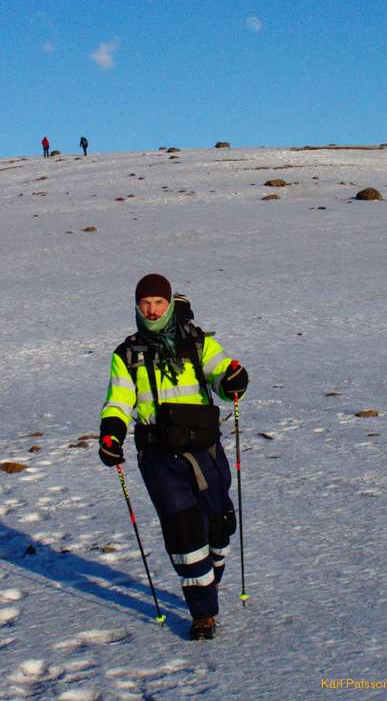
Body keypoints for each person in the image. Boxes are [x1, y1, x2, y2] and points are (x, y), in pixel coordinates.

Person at [98, 274, 249, 640]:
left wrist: (233, 380)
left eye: (158, 303)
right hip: (159, 455)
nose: (152, 310)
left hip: (204, 448)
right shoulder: (126, 354)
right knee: (183, 533)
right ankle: (203, 613)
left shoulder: (198, 342)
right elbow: (120, 399)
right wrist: (111, 433)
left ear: (169, 304)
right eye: (145, 304)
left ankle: (207, 582)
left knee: (218, 525)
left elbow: (220, 376)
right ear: (137, 307)